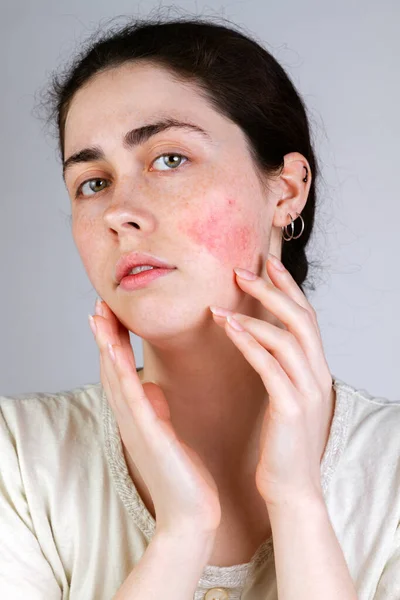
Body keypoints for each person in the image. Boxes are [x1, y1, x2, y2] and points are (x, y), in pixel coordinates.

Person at [1, 13, 399, 600]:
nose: (118, 210)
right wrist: (181, 534)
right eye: (92, 181)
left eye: (169, 159)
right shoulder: (20, 459)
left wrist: (297, 503)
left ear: (286, 190)